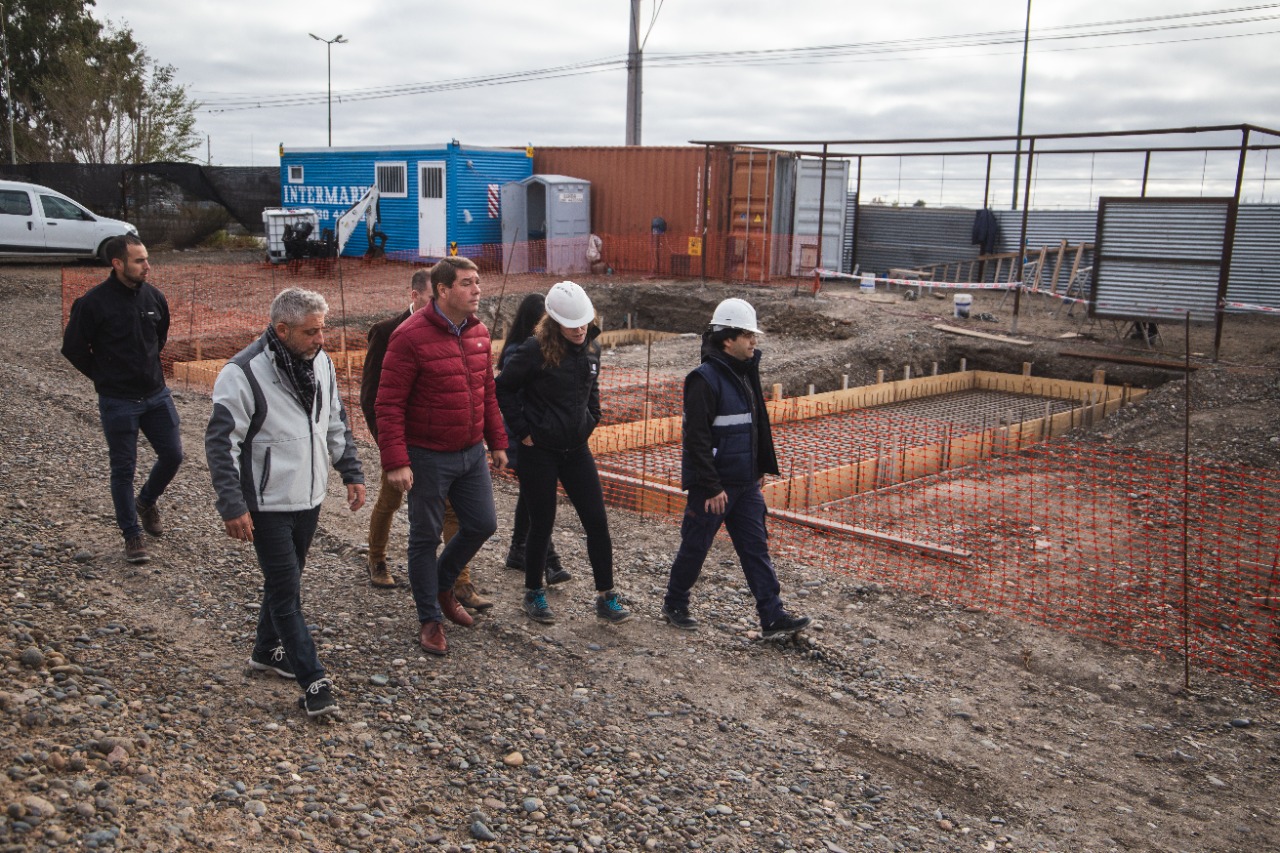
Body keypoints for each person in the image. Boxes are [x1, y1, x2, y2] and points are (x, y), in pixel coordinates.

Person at [206, 287, 365, 718]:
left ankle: (264, 651)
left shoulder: (323, 363)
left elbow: (335, 419)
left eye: (322, 329)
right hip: (266, 502)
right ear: (283, 329)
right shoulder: (241, 373)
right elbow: (222, 445)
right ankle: (314, 681)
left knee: (286, 580)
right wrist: (232, 504)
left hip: (309, 497)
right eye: (312, 331)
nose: (321, 339)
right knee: (287, 593)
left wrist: (350, 470)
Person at [375, 256, 508, 656]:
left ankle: (443, 584)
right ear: (444, 290)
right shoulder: (409, 336)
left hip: (470, 452)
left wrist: (497, 441)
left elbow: (486, 393)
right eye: (467, 283)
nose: (477, 290)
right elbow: (389, 403)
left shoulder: (480, 333)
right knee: (424, 536)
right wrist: (396, 460)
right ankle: (430, 619)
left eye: (478, 282)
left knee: (483, 523)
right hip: (428, 455)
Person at [660, 298, 810, 639]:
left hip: (745, 484)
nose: (753, 342)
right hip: (714, 486)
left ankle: (772, 616)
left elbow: (753, 426)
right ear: (727, 339)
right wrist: (711, 487)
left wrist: (757, 468)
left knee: (756, 548)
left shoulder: (744, 374)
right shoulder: (704, 379)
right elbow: (695, 438)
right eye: (747, 335)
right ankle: (675, 602)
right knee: (696, 545)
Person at [495, 281, 631, 625]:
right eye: (572, 325)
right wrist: (523, 431)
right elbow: (503, 388)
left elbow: (591, 389)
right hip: (539, 452)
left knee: (597, 522)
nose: (580, 329)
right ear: (554, 322)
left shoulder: (591, 349)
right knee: (542, 523)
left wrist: (591, 420)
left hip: (576, 450)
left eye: (584, 322)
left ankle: (606, 595)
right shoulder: (533, 350)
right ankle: (534, 592)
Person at [360, 270, 493, 610]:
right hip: (403, 445)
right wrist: (391, 449)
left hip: (444, 448)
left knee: (454, 513)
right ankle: (377, 559)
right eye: (427, 298)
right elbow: (373, 397)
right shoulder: (389, 332)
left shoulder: (457, 330)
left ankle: (459, 582)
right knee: (390, 503)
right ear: (417, 295)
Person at [61, 235, 184, 566]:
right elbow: (72, 348)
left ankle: (146, 502)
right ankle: (132, 535)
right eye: (139, 261)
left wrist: (145, 370)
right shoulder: (92, 304)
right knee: (123, 468)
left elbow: (159, 337)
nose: (147, 266)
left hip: (156, 395)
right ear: (117, 264)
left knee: (173, 455)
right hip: (119, 402)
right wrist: (105, 377)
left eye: (146, 258)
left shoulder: (154, 297)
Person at [497, 292, 569, 586]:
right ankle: (550, 563)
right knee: (540, 500)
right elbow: (509, 393)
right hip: (525, 435)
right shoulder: (521, 350)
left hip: (530, 433)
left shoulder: (531, 348)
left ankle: (517, 550)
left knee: (531, 496)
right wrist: (525, 429)